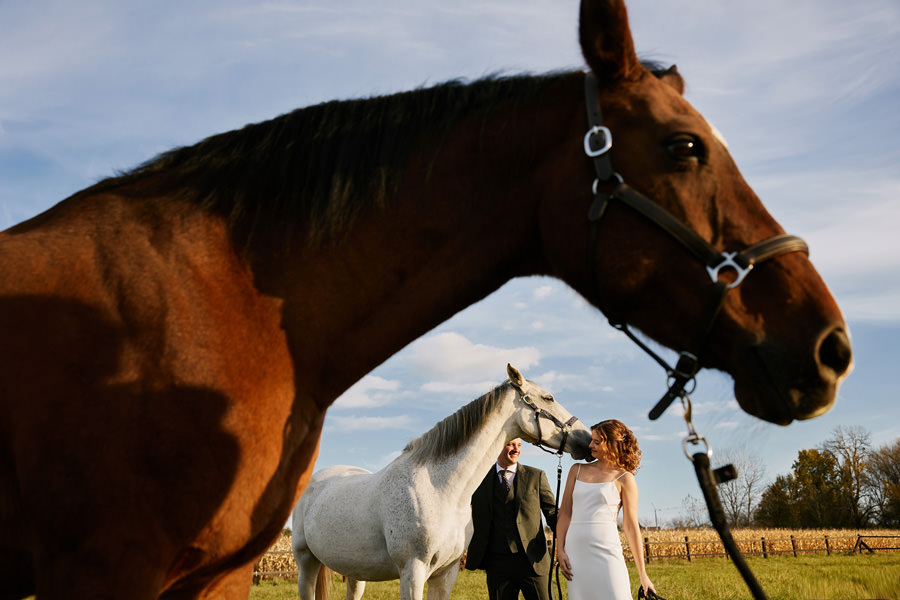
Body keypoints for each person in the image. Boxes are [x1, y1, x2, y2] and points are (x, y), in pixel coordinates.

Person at [556, 419, 655, 600]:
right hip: (576, 555)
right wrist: (560, 549)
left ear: (612, 444)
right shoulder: (576, 470)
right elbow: (565, 513)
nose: (590, 445)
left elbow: (631, 527)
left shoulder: (625, 478)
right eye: (591, 440)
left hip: (607, 553)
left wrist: (643, 574)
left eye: (596, 441)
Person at [466, 438, 557, 600]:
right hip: (497, 563)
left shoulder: (536, 476)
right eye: (511, 444)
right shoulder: (478, 480)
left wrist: (567, 543)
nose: (516, 449)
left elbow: (552, 514)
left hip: (533, 560)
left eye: (520, 445)